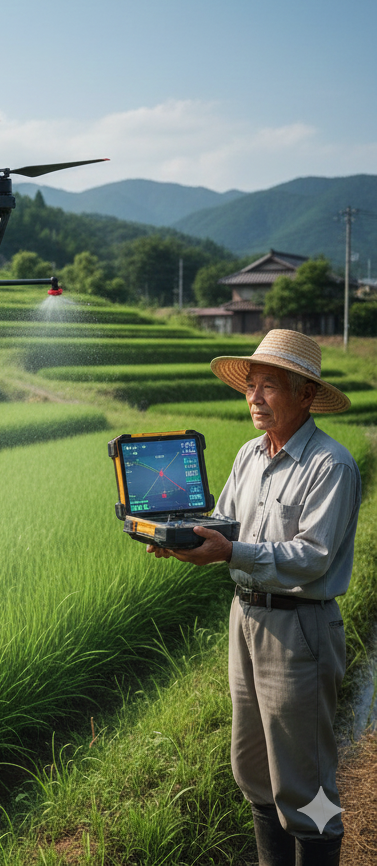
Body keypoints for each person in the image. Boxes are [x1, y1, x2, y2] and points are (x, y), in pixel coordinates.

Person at [149, 329, 359, 866]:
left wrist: (229, 552)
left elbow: (311, 555)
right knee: (254, 769)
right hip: (245, 620)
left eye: (269, 386)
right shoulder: (247, 454)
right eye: (250, 387)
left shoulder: (329, 465)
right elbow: (225, 524)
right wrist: (176, 536)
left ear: (306, 395)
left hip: (300, 630)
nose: (254, 398)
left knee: (304, 781)